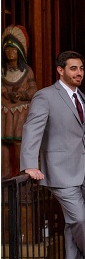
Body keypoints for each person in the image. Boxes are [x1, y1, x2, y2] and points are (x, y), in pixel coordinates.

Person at [20, 50, 85, 259]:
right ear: (60, 70)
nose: (79, 73)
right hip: (60, 170)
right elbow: (32, 129)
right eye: (73, 68)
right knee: (80, 220)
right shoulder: (45, 96)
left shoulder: (82, 96)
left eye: (81, 68)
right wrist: (30, 164)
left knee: (72, 223)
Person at [2, 26, 38, 178]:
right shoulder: (1, 70)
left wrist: (22, 94)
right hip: (3, 113)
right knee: (2, 145)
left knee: (19, 145)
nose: (10, 53)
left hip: (20, 113)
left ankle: (22, 178)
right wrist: (4, 92)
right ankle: (4, 176)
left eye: (14, 50)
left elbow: (34, 90)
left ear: (20, 52)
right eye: (7, 49)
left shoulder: (27, 71)